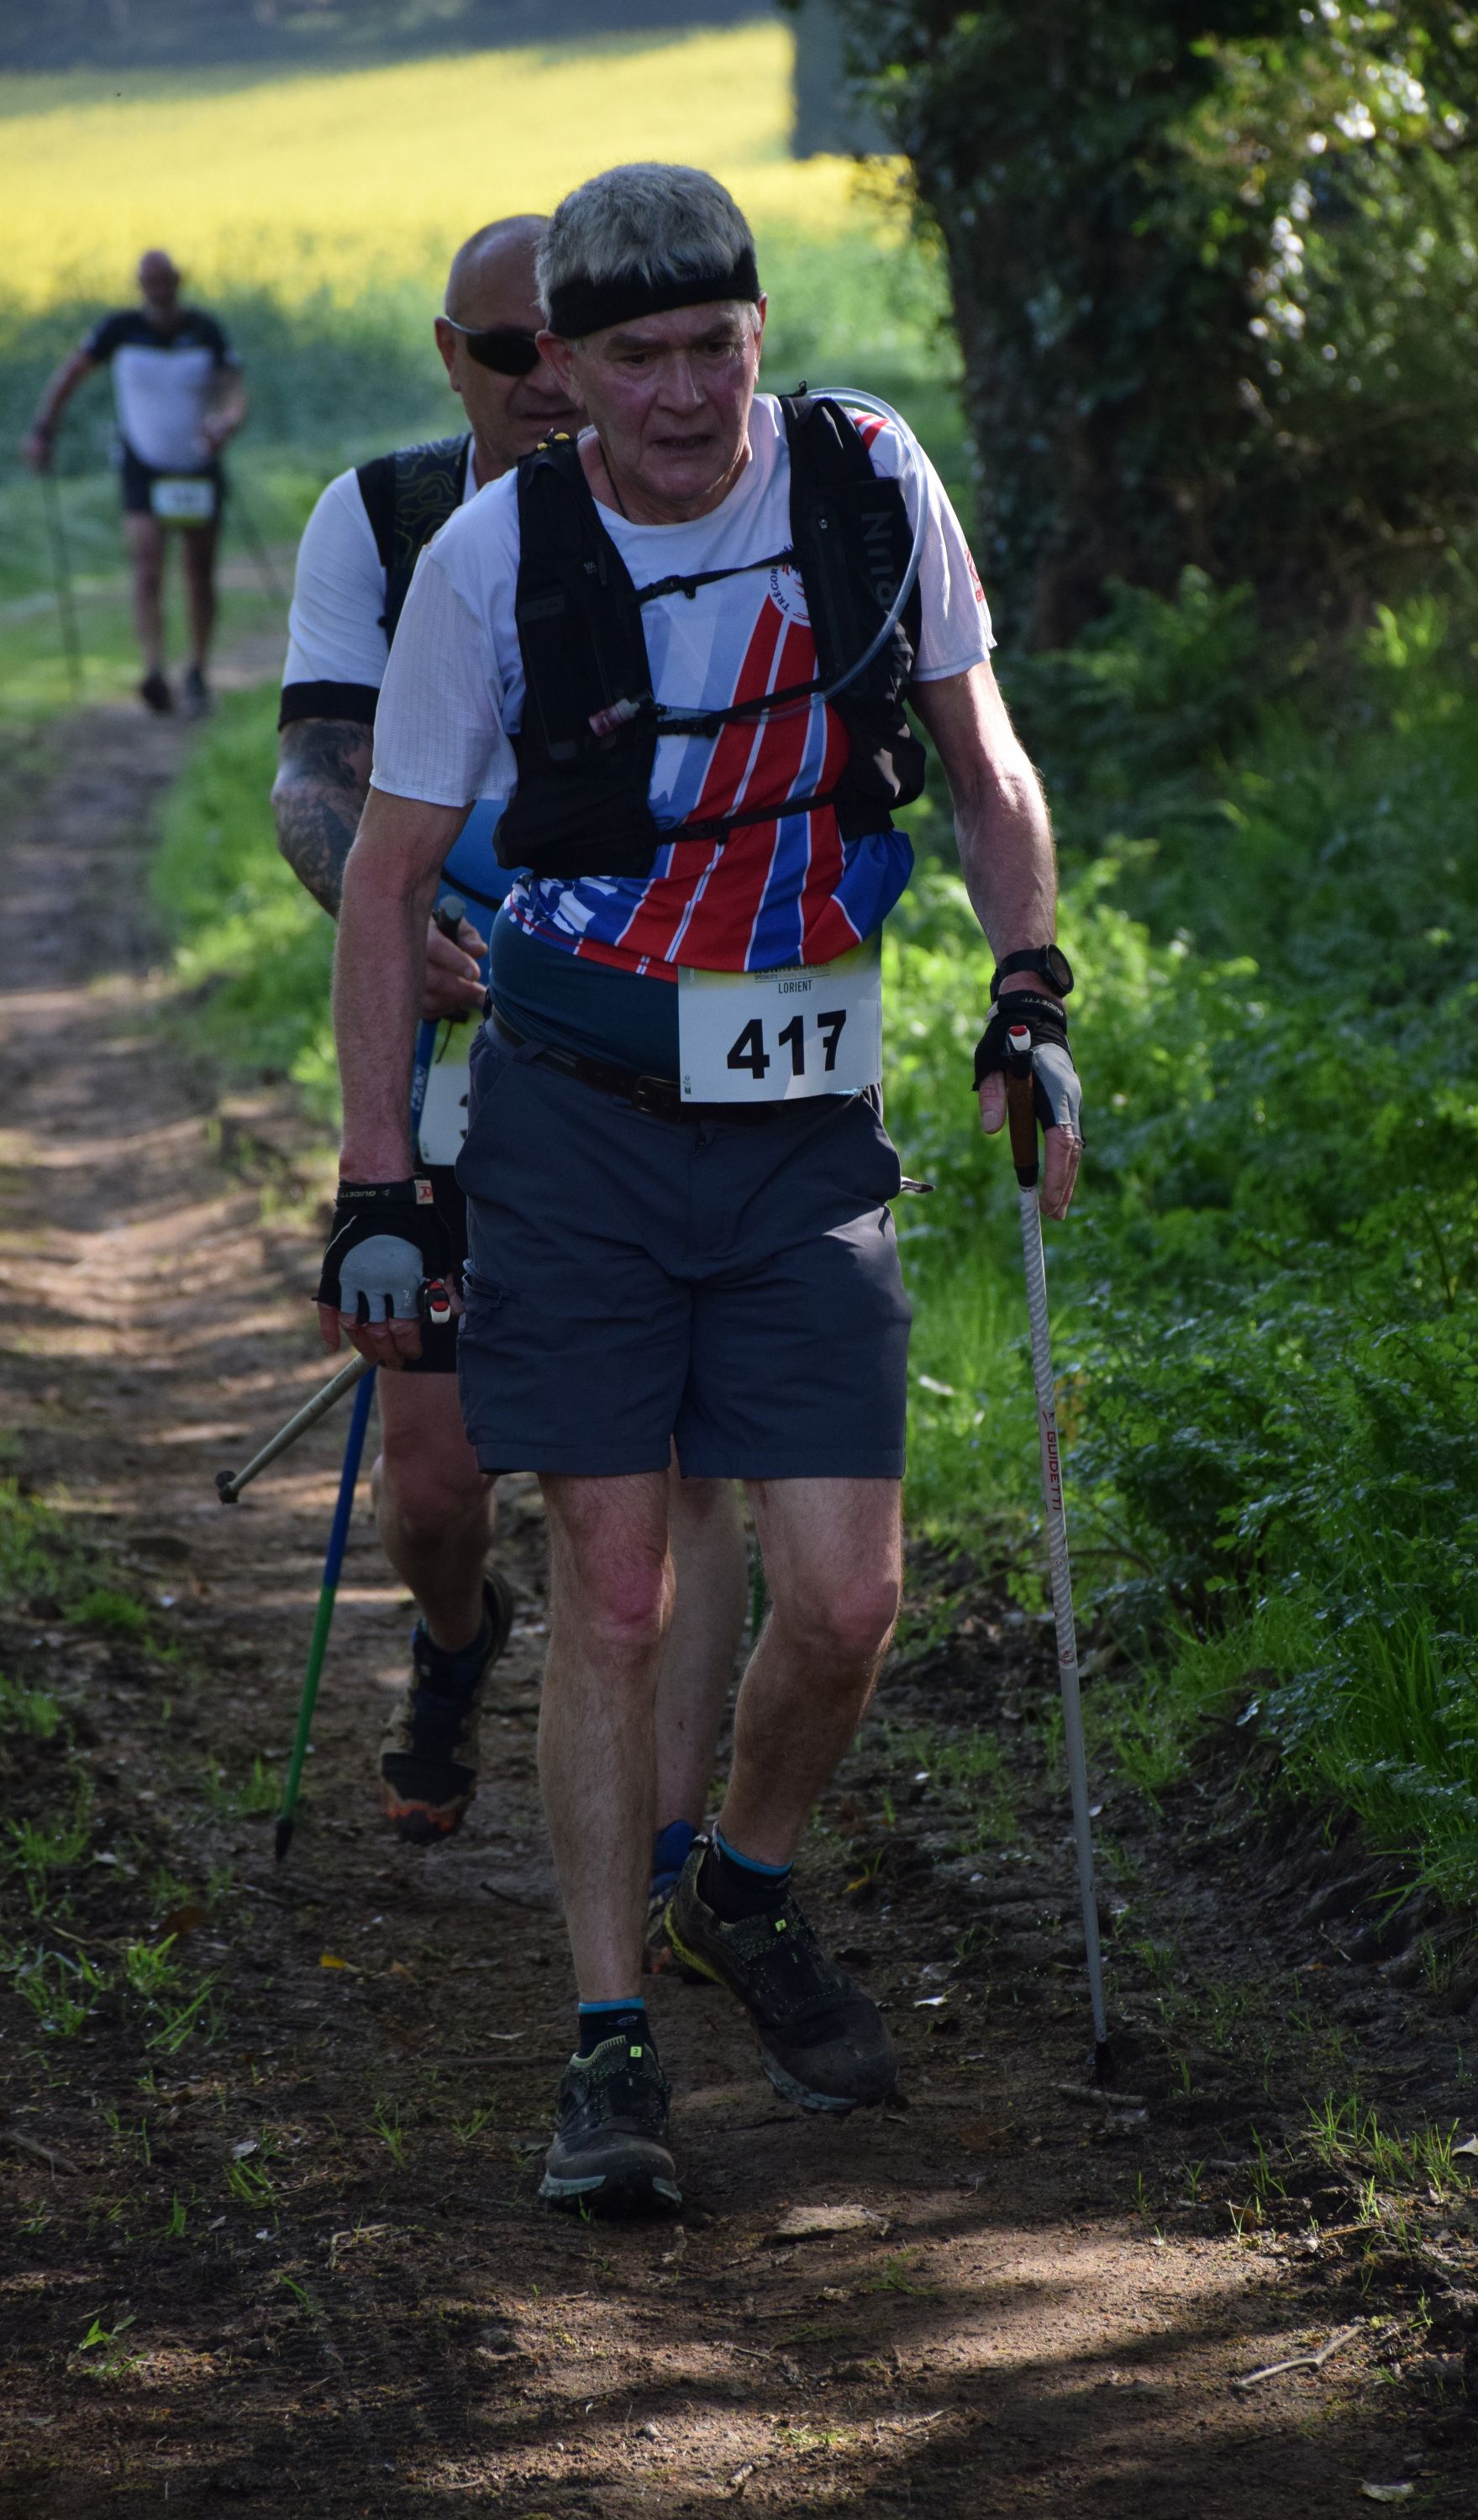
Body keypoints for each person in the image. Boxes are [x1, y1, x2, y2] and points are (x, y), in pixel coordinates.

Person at [320, 164, 1082, 2217]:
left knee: (845, 1600)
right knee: (621, 1587)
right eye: (637, 357)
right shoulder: (492, 559)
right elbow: (386, 882)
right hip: (572, 1120)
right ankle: (605, 2042)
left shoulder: (863, 484)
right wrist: (381, 1180)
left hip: (803, 1111)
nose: (682, 394)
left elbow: (985, 762)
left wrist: (1027, 996)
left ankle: (735, 1888)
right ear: (560, 369)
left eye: (714, 348)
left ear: (760, 333)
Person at [276, 214, 748, 1882]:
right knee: (433, 1484)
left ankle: (670, 1838)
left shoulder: (707, 507)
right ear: (451, 357)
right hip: (457, 1020)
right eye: (506, 352)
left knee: (678, 1461)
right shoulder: (387, 518)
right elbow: (316, 775)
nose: (545, 382)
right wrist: (396, 926)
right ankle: (460, 1634)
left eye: (570, 346)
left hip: (655, 1025)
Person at [22, 249, 248, 715]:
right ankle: (154, 670)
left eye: (165, 279)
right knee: (147, 567)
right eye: (150, 280)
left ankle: (197, 671)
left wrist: (226, 422)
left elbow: (234, 388)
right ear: (140, 284)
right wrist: (44, 429)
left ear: (179, 280)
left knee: (199, 571)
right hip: (142, 465)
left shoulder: (206, 330)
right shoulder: (119, 330)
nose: (159, 288)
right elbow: (71, 374)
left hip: (198, 463)